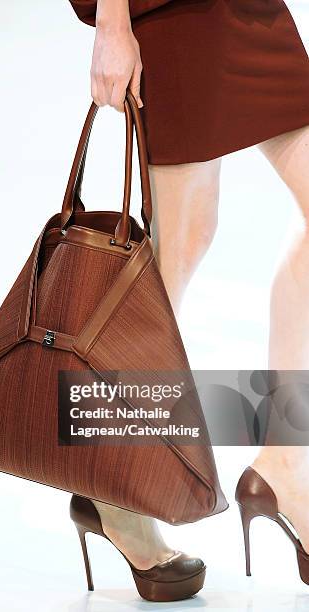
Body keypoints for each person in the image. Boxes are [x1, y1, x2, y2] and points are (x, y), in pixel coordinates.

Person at [68, 0, 309, 600]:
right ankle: (110, 482)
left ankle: (285, 464)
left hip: (244, 8)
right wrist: (111, 24)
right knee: (180, 243)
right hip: (168, 10)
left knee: (184, 240)